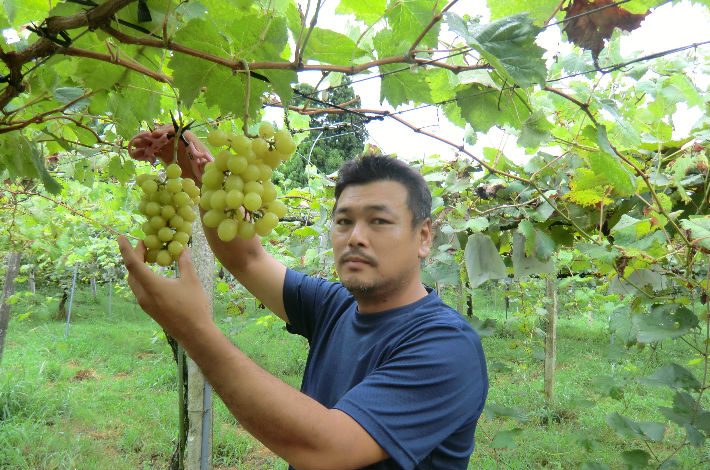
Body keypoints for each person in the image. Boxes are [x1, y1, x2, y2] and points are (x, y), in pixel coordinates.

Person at [120, 126, 488, 470]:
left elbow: (328, 448)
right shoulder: (335, 306)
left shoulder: (447, 346)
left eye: (378, 221)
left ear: (424, 237)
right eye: (343, 222)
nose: (355, 237)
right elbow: (246, 258)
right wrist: (184, 155)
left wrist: (193, 329)